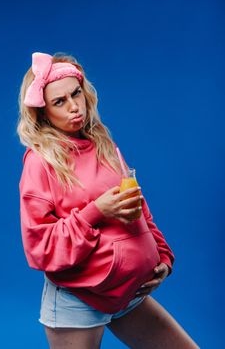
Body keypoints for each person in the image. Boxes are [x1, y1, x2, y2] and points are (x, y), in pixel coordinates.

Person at [17, 52, 199, 349]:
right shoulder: (40, 162)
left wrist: (163, 257)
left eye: (75, 94)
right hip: (78, 301)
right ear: (43, 112)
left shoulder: (103, 144)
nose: (74, 107)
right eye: (59, 102)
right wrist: (95, 211)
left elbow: (140, 209)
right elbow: (40, 247)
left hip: (127, 292)